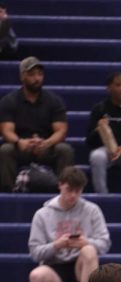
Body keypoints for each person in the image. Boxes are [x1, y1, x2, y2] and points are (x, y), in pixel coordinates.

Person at [28, 166, 110, 282]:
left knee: (89, 250)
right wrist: (57, 245)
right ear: (60, 185)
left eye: (77, 191)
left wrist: (85, 242)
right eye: (69, 190)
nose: (73, 195)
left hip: (82, 264)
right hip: (55, 266)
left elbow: (104, 243)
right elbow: (35, 252)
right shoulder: (42, 214)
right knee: (36, 276)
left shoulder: (92, 210)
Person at [0, 56, 73, 192]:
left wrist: (47, 143)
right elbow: (6, 130)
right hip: (21, 147)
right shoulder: (9, 101)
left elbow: (61, 130)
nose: (37, 78)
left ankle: (64, 192)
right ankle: (8, 193)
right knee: (5, 150)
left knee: (65, 150)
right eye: (32, 74)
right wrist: (20, 142)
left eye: (40, 74)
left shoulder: (54, 100)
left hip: (45, 146)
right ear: (22, 76)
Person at [86, 71, 121, 195]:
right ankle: (102, 197)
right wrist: (98, 130)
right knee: (96, 157)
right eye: (118, 85)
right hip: (105, 150)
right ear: (109, 88)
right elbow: (89, 142)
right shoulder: (99, 109)